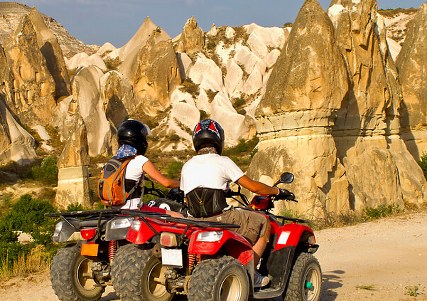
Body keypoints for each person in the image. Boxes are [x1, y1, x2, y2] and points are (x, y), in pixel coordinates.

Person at [179, 118, 293, 288]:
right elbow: (254, 187)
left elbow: (188, 197)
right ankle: (251, 273)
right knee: (263, 223)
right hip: (221, 217)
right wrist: (277, 191)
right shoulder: (223, 161)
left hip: (196, 220)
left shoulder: (187, 165)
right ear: (218, 140)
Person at [114, 119, 180, 210]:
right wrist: (184, 184)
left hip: (115, 210)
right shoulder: (140, 160)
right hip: (134, 210)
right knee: (178, 215)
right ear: (138, 140)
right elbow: (166, 183)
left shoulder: (114, 161)